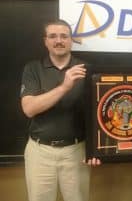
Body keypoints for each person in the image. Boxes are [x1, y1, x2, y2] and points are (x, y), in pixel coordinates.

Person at [20, 19, 100, 201]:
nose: (59, 40)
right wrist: (64, 87)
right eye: (53, 36)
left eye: (64, 36)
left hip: (76, 151)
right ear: (45, 41)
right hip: (40, 152)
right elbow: (29, 109)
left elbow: (99, 113)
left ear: (71, 40)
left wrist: (95, 150)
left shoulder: (87, 70)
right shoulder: (33, 68)